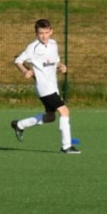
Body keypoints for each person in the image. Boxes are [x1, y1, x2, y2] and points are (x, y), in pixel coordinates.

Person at [11, 19, 80, 154]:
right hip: (43, 87)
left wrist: (61, 66)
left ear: (51, 32)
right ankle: (66, 146)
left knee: (50, 117)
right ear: (36, 34)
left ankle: (19, 124)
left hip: (53, 86)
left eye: (46, 32)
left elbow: (55, 61)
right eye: (41, 33)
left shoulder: (53, 44)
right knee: (64, 111)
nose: (44, 36)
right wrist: (26, 71)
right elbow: (18, 60)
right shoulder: (33, 47)